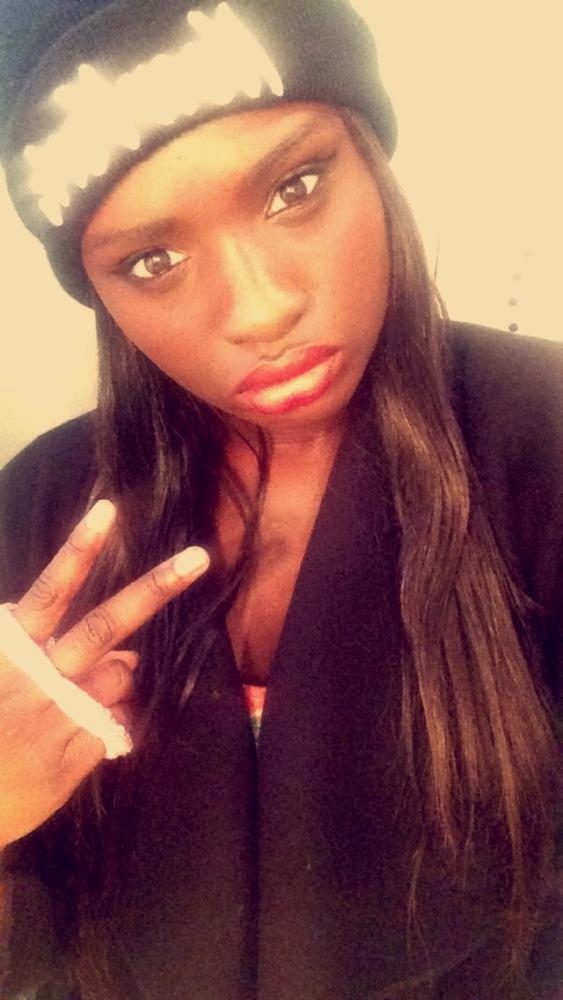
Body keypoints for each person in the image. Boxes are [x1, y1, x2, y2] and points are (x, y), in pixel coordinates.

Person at [0, 1, 561, 998]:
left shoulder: (545, 440)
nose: (261, 309)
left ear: (369, 158)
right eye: (152, 261)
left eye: (293, 187)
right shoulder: (42, 508)